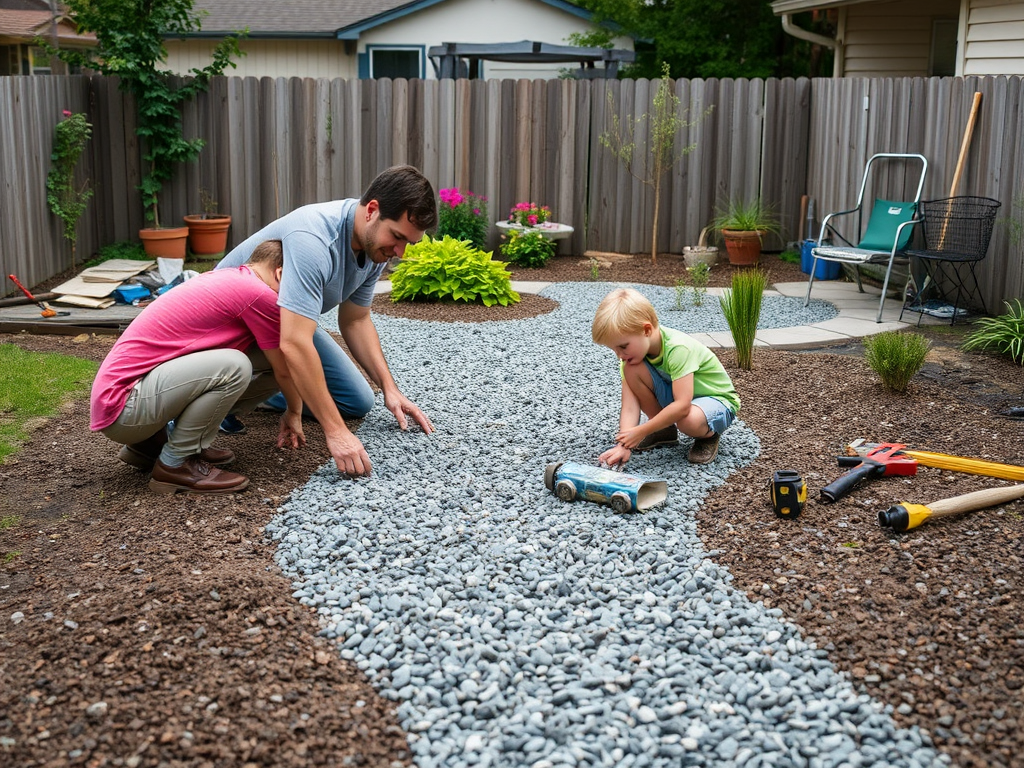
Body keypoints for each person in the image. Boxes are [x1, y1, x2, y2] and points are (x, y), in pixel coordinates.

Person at [216, 165, 438, 478]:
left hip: (282, 321)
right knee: (293, 354)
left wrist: (390, 389)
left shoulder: (374, 246)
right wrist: (335, 432)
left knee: (357, 399)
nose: (398, 252)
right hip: (229, 325)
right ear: (372, 210)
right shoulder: (315, 238)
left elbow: (356, 319)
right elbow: (294, 342)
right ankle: (217, 403)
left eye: (407, 244)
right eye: (397, 237)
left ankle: (260, 394)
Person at [90, 240, 304, 495]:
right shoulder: (258, 293)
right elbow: (285, 369)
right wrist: (295, 411)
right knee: (234, 366)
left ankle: (151, 445)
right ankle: (176, 464)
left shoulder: (230, 279)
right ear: (280, 274)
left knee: (257, 360)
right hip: (125, 410)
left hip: (123, 401)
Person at [592, 287, 740, 467]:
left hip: (717, 400)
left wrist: (642, 430)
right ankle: (663, 430)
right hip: (684, 401)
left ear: (646, 330)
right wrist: (623, 445)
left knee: (688, 420)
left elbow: (682, 406)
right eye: (614, 349)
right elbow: (630, 406)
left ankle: (708, 435)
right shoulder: (630, 359)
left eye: (623, 347)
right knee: (632, 369)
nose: (619, 355)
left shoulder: (678, 348)